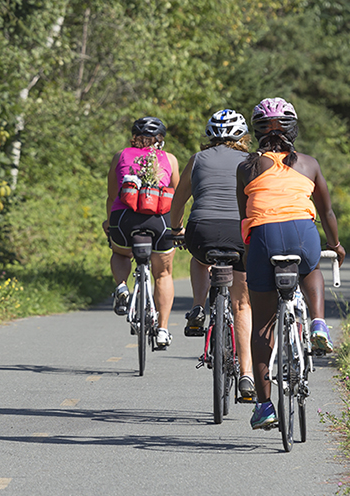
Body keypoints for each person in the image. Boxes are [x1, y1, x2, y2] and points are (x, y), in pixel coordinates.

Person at [235, 97, 345, 430]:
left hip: (264, 239)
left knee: (263, 327)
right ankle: (318, 324)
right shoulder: (309, 163)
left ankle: (265, 406)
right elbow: (326, 212)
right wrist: (336, 245)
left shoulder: (246, 168)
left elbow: (245, 215)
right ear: (293, 130)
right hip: (303, 234)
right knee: (311, 267)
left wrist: (250, 252)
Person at [168, 109, 256, 400]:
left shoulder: (197, 160)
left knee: (200, 258)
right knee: (242, 305)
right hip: (240, 233)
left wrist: (176, 229)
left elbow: (178, 202)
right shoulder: (251, 162)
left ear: (209, 135)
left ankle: (197, 308)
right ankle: (246, 375)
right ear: (243, 136)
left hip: (201, 230)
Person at [103, 116, 181, 347]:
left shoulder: (120, 156)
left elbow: (112, 194)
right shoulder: (170, 159)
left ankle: (121, 286)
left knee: (120, 252)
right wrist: (179, 226)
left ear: (134, 137)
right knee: (163, 274)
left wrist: (109, 222)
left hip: (124, 219)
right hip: (160, 221)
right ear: (160, 140)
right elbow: (176, 196)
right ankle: (163, 330)